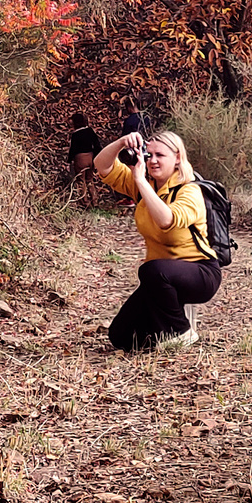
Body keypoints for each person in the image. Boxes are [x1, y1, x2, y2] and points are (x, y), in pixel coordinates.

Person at [93, 128, 222, 352]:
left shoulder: (189, 191)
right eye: (148, 155)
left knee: (150, 270)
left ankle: (181, 332)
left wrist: (139, 181)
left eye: (160, 155)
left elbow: (166, 220)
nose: (152, 161)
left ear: (177, 158)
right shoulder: (147, 186)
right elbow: (101, 166)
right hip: (160, 279)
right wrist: (122, 142)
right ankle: (163, 336)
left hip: (200, 273)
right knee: (121, 336)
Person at [63, 113, 103, 189]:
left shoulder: (75, 134)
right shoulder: (90, 131)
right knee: (90, 180)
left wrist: (69, 161)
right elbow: (97, 145)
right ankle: (94, 198)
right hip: (90, 157)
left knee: (81, 181)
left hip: (80, 159)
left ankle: (84, 200)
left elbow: (73, 149)